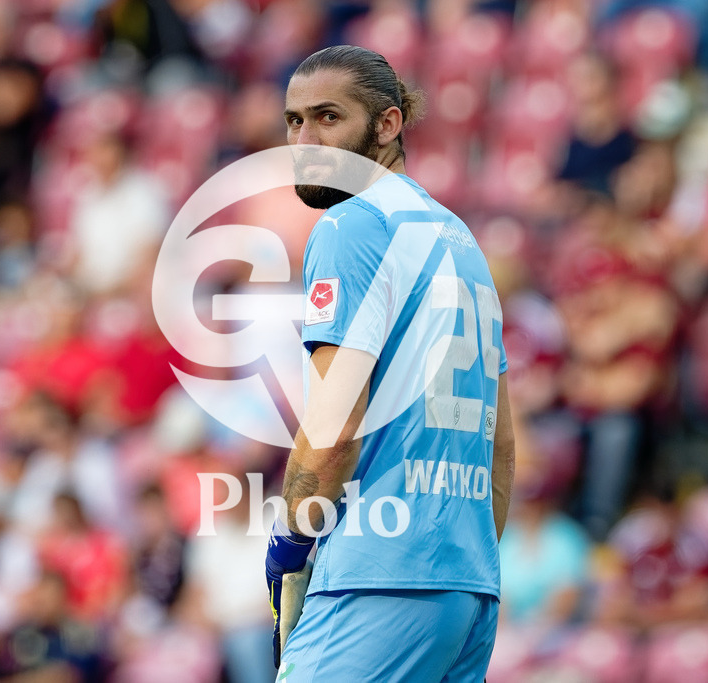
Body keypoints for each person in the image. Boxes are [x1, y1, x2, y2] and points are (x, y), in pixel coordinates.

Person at [265, 45, 515, 681]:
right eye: (294, 121)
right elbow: (501, 446)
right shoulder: (461, 239)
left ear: (387, 123)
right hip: (465, 588)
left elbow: (332, 431)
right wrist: (467, 566)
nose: (305, 138)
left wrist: (290, 541)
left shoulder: (351, 226)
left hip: (374, 579)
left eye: (328, 117)